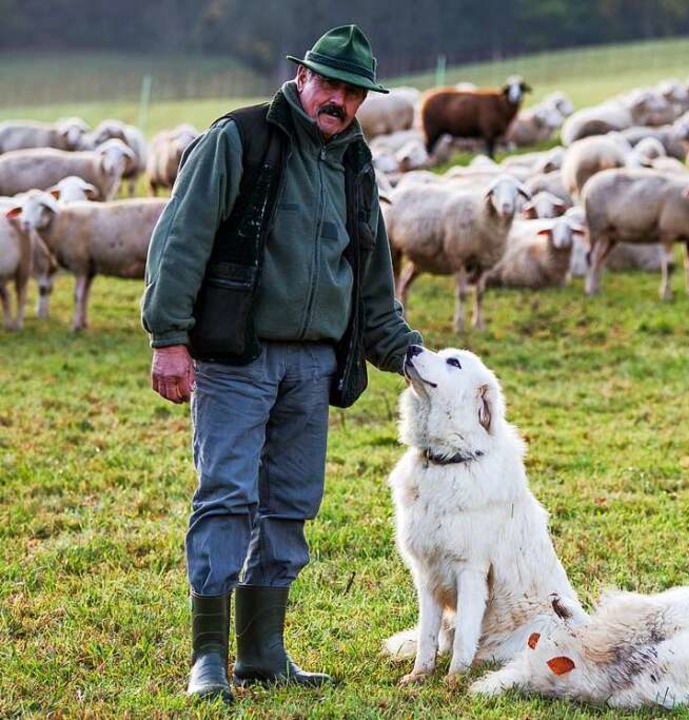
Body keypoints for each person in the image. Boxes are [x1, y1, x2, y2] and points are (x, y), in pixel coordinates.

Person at [141, 24, 422, 703]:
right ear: (302, 78)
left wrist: (405, 350)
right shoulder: (239, 138)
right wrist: (168, 337)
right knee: (227, 495)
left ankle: (264, 654)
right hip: (237, 357)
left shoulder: (355, 161)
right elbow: (181, 240)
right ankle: (209, 658)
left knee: (290, 505)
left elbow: (371, 271)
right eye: (329, 85)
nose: (339, 101)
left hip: (314, 364)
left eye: (353, 92)